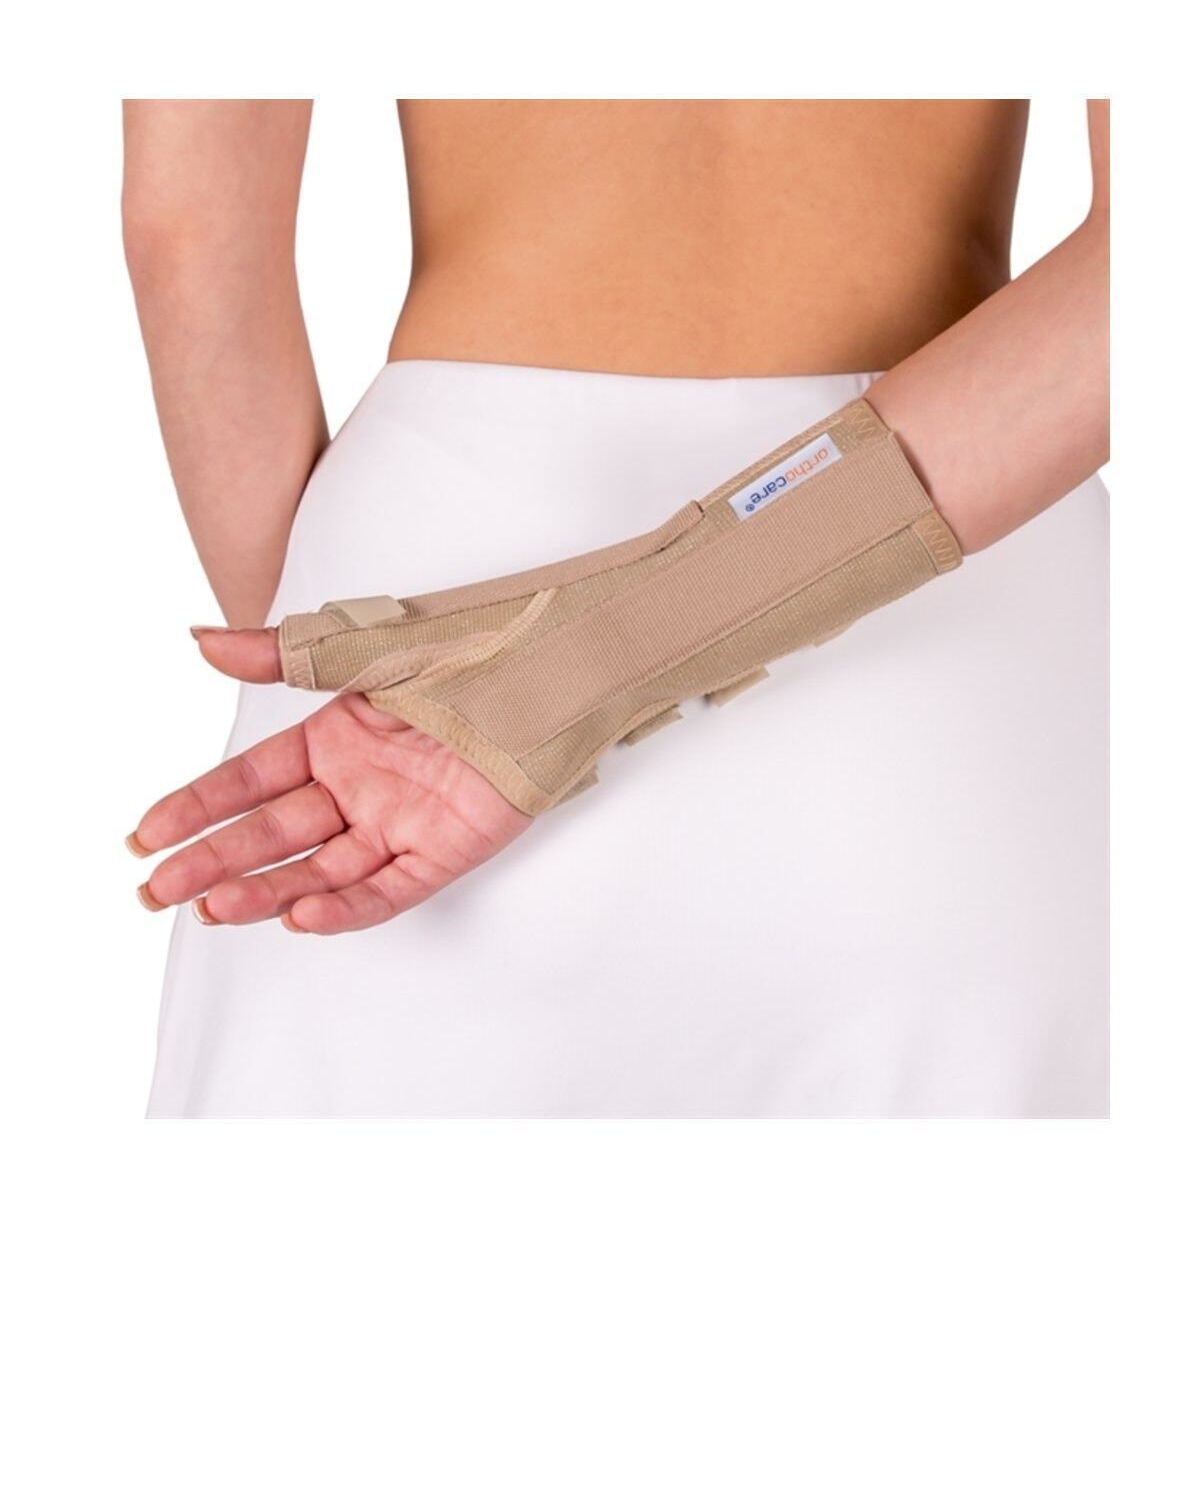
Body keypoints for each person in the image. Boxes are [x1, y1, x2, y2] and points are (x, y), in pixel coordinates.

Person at [123, 99, 1109, 1118]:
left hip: (438, 598)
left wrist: (422, 687)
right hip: (964, 579)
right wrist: (598, 657)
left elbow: (188, 233)